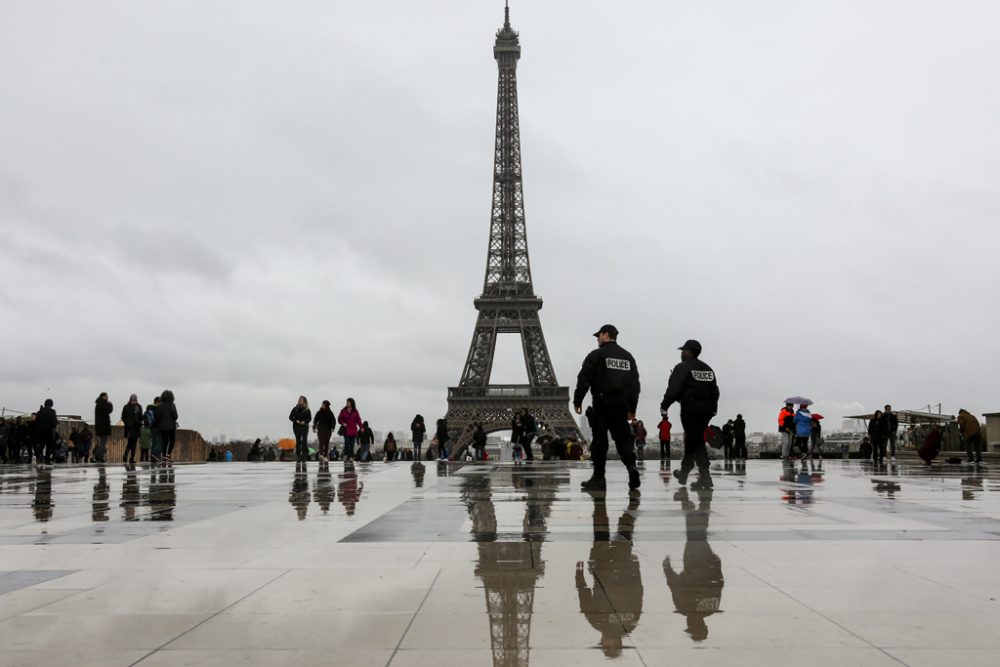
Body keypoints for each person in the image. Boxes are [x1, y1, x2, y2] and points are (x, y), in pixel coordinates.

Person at [573, 324, 642, 491]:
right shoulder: (628, 357)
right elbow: (635, 385)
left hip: (602, 403)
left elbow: (584, 379)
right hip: (621, 404)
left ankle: (598, 478)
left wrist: (577, 400)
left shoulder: (596, 355)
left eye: (599, 335)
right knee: (623, 439)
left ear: (605, 335)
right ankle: (632, 467)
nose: (597, 339)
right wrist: (632, 408)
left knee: (600, 441)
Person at [576, 492, 642, 658]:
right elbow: (585, 600)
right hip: (603, 568)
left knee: (624, 532)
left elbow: (638, 593)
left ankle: (630, 506)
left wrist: (635, 567)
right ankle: (600, 502)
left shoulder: (630, 625)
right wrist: (579, 577)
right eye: (606, 645)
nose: (603, 642)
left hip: (620, 566)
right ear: (613, 643)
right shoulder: (600, 624)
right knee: (601, 530)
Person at [664, 488, 723, 642]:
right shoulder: (685, 608)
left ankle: (699, 502)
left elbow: (719, 584)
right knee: (695, 535)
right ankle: (691, 502)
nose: (688, 623)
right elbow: (674, 586)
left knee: (698, 535)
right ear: (698, 625)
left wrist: (717, 564)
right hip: (694, 565)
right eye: (691, 626)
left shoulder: (712, 608)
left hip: (706, 563)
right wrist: (667, 569)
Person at [661, 339, 720, 491]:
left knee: (696, 440)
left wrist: (664, 405)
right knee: (693, 440)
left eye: (683, 351)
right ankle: (683, 474)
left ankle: (705, 477)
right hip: (706, 410)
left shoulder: (682, 367)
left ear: (688, 352)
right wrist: (713, 409)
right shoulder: (708, 369)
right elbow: (715, 391)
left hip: (691, 409)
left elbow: (674, 388)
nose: (681, 353)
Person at [288, 396, 312, 463]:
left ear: (304, 401)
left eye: (302, 400)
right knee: (298, 441)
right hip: (296, 427)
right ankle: (298, 456)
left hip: (304, 426)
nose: (300, 401)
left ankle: (304, 456)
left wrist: (304, 421)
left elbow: (309, 418)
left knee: (304, 441)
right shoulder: (295, 408)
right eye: (300, 400)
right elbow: (290, 417)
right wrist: (296, 421)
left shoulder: (307, 409)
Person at [121, 394, 143, 464]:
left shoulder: (126, 407)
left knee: (130, 442)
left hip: (128, 428)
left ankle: (125, 455)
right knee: (134, 444)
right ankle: (131, 458)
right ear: (136, 399)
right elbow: (141, 417)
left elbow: (123, 417)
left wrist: (127, 423)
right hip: (136, 428)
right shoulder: (138, 407)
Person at [35, 399, 58, 465]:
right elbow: (55, 422)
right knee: (48, 446)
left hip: (41, 432)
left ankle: (38, 458)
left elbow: (36, 422)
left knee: (41, 446)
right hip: (49, 432)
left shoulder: (39, 412)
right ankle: (47, 460)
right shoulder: (52, 411)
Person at [159, 390, 179, 462]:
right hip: (171, 427)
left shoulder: (160, 405)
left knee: (164, 441)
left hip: (162, 427)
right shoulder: (172, 405)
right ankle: (168, 454)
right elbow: (175, 416)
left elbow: (158, 416)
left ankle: (164, 456)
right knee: (172, 441)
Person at [94, 392, 113, 463]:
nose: (108, 397)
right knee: (103, 442)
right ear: (104, 396)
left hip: (99, 426)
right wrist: (110, 404)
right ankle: (99, 457)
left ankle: (96, 456)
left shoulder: (98, 403)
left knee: (101, 442)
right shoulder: (104, 403)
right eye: (107, 396)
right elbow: (109, 410)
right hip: (103, 426)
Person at [145, 396, 162, 462]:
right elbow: (158, 418)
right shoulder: (157, 409)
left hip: (151, 428)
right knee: (159, 442)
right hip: (157, 427)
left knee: (153, 442)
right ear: (158, 402)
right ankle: (157, 457)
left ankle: (152, 458)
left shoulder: (149, 408)